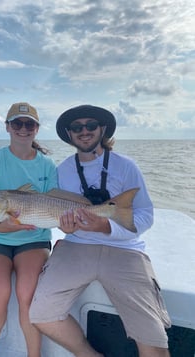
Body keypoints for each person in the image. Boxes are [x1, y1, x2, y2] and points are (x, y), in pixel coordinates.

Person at [29, 104, 171, 357]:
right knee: (40, 314)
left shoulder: (126, 166)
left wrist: (106, 225)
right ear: (69, 134)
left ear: (102, 129)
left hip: (125, 250)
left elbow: (145, 215)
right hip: (76, 245)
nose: (84, 131)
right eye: (77, 127)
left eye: (91, 125)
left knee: (153, 334)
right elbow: (52, 210)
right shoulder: (62, 170)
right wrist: (63, 226)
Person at [0, 102, 57, 357]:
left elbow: (55, 206)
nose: (23, 128)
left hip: (34, 238)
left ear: (37, 129)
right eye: (17, 123)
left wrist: (73, 223)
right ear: (7, 127)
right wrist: (1, 227)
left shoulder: (48, 166)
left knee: (26, 294)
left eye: (29, 124)